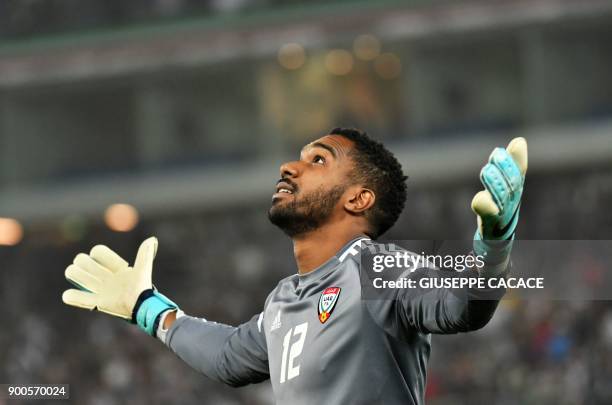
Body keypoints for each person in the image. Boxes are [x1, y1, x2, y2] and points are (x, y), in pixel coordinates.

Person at [62, 128, 528, 404]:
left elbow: (462, 306)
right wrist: (147, 307)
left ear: (358, 198)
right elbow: (228, 357)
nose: (289, 166)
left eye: (318, 160)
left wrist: (493, 242)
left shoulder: (378, 270)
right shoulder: (284, 300)